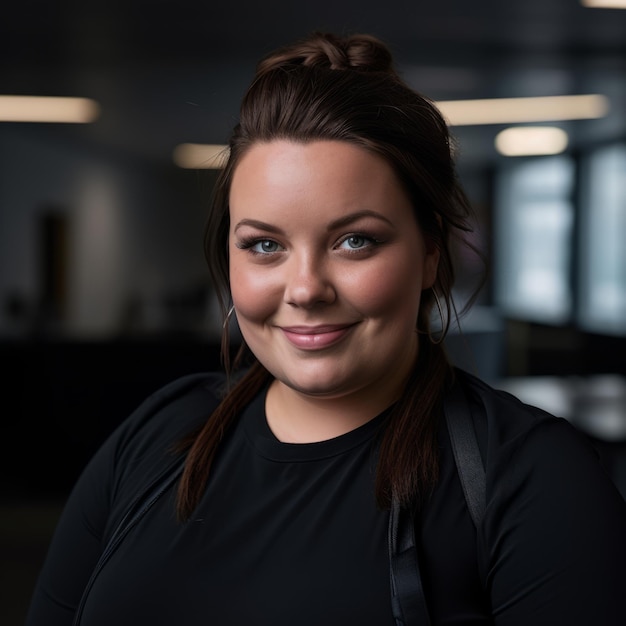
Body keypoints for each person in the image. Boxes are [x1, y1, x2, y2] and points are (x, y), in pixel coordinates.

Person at [26, 32, 626, 626]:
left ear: (430, 255)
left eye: (355, 241)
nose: (307, 288)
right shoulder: (156, 437)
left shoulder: (535, 482)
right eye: (264, 245)